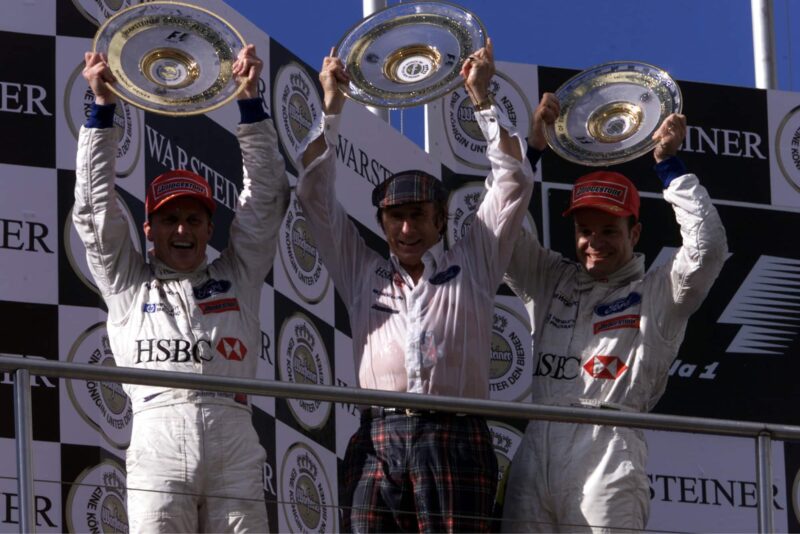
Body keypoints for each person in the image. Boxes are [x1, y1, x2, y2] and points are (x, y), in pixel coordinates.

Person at [296, 39, 533, 533]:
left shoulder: (475, 258)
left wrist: (482, 98)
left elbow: (513, 180)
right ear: (382, 223)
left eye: (418, 217)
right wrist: (332, 110)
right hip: (378, 432)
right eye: (396, 218)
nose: (407, 230)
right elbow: (314, 192)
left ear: (442, 219)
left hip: (456, 433)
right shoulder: (360, 269)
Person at [73, 45, 289, 533]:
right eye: (169, 219)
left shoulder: (237, 274)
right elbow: (93, 210)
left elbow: (267, 199)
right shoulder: (127, 281)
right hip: (157, 433)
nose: (182, 231)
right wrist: (102, 111)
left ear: (210, 228)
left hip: (232, 433)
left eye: (194, 219)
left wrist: (251, 102)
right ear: (149, 229)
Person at [499, 93, 728, 532]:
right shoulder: (550, 278)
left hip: (608, 449)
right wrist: (532, 149)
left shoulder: (659, 290)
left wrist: (669, 166)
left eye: (609, 230)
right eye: (585, 231)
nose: (594, 242)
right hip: (537, 445)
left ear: (635, 231)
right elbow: (498, 228)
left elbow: (708, 250)